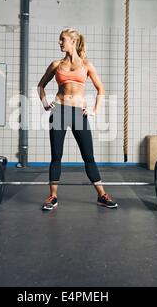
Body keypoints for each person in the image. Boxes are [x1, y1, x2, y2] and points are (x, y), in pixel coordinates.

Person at [37, 28, 118, 211]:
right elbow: (41, 85)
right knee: (56, 156)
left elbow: (101, 89)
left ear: (73, 42)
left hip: (78, 114)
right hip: (59, 111)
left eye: (62, 40)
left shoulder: (86, 65)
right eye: (59, 40)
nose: (59, 42)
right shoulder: (56, 65)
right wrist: (44, 103)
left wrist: (95, 111)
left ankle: (102, 195)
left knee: (88, 156)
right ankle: (53, 196)